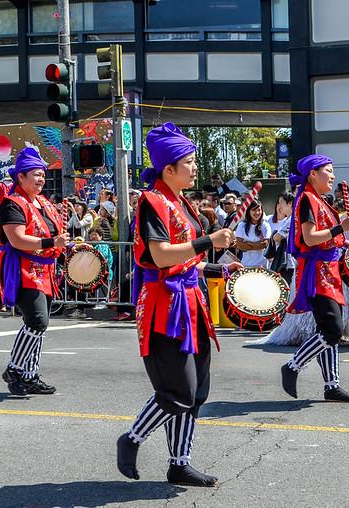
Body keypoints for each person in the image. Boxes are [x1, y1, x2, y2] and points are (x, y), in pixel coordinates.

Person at [116, 123, 240, 488]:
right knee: (178, 393)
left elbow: (186, 261)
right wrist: (208, 241)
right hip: (164, 308)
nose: (195, 167)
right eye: (188, 162)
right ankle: (133, 438)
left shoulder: (180, 201)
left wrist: (217, 266)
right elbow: (160, 255)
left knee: (198, 391)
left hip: (190, 303)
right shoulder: (152, 201)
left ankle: (179, 462)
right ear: (168, 168)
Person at [279, 154, 349, 402]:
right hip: (318, 274)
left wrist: (344, 241)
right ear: (313, 174)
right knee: (332, 330)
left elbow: (326, 237)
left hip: (329, 271)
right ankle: (292, 365)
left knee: (326, 329)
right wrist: (340, 228)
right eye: (328, 170)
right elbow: (310, 238)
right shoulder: (306, 199)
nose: (333, 175)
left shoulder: (319, 200)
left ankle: (331, 386)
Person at [0, 147, 68, 396]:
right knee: (37, 320)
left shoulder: (44, 203)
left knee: (38, 325)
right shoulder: (12, 204)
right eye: (35, 174)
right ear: (20, 177)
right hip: (22, 268)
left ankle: (29, 375)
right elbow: (17, 239)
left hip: (44, 269)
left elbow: (53, 234)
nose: (41, 179)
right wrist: (50, 244)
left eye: (43, 175)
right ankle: (15, 368)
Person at [266, 192, 296, 282]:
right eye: (278, 203)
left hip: (289, 263)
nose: (279, 205)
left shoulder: (292, 219)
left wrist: (274, 237)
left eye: (281, 202)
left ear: (290, 203)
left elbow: (277, 237)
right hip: (285, 262)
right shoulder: (287, 219)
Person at [234, 200, 271, 268]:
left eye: (259, 210)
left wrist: (248, 244)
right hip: (246, 264)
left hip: (262, 265)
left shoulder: (265, 225)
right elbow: (239, 245)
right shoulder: (242, 225)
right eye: (254, 210)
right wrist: (257, 245)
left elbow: (265, 244)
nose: (257, 213)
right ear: (249, 211)